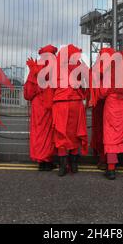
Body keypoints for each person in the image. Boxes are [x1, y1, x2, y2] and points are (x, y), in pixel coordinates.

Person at [90, 48, 123, 180]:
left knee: (111, 136)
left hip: (113, 105)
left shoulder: (111, 72)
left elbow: (102, 92)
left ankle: (111, 169)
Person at [52, 44, 88, 177]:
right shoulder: (78, 65)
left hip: (60, 103)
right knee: (74, 133)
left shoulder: (56, 65)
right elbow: (86, 82)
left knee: (61, 134)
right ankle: (74, 164)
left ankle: (62, 166)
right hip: (75, 102)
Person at [24, 45, 58, 171]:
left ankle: (40, 160)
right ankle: (47, 160)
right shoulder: (55, 67)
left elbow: (28, 92)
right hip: (50, 103)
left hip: (37, 105)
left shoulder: (35, 68)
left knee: (38, 132)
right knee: (49, 132)